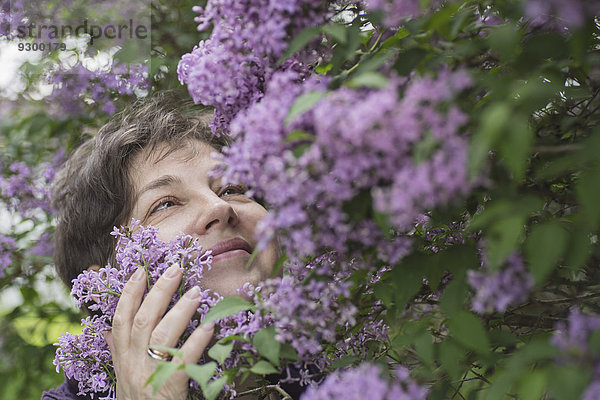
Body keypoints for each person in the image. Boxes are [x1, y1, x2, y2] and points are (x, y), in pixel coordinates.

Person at [42, 92, 286, 400]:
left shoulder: (349, 364)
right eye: (165, 203)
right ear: (104, 287)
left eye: (231, 188)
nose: (219, 208)